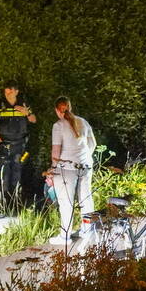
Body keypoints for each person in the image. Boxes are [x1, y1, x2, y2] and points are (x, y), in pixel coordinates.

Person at [48, 96, 97, 243]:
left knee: (66, 202)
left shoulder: (58, 126)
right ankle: (87, 230)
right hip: (86, 165)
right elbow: (92, 144)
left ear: (57, 110)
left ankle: (65, 236)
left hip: (67, 168)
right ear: (70, 107)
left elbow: (56, 151)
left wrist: (52, 169)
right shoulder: (83, 122)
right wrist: (82, 158)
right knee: (86, 199)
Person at [0, 82, 37, 197]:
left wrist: (27, 113)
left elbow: (34, 120)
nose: (8, 94)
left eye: (10, 92)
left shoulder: (23, 104)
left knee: (17, 171)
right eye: (6, 92)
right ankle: (3, 199)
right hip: (3, 144)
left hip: (20, 144)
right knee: (3, 172)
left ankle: (16, 198)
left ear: (16, 92)